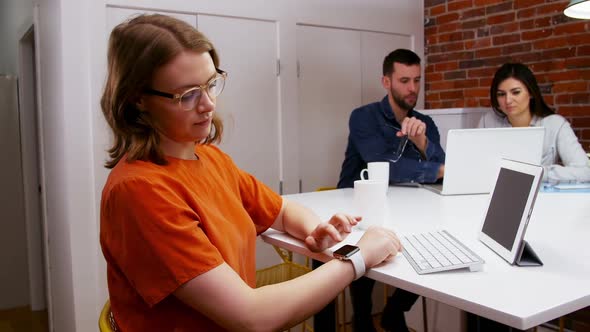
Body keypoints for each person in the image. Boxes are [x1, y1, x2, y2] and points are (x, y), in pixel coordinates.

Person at [99, 14, 403, 332]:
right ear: (138, 100)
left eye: (210, 84)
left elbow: (282, 211)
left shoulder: (211, 159)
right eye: (187, 95)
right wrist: (358, 258)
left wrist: (317, 231)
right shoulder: (140, 191)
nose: (208, 104)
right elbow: (251, 317)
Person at [315, 49, 446, 332]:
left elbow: (444, 168)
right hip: (353, 206)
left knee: (435, 246)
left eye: (417, 80)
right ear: (386, 82)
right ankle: (361, 321)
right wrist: (434, 169)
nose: (412, 89)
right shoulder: (363, 117)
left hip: (404, 208)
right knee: (343, 253)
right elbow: (384, 167)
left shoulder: (426, 123)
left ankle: (395, 310)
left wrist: (422, 141)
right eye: (404, 80)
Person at [484, 62, 590, 183]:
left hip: (543, 196)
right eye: (501, 94)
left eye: (516, 92)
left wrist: (538, 173)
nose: (508, 100)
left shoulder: (555, 124)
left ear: (531, 93)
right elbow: (475, 166)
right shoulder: (488, 121)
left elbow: (585, 172)